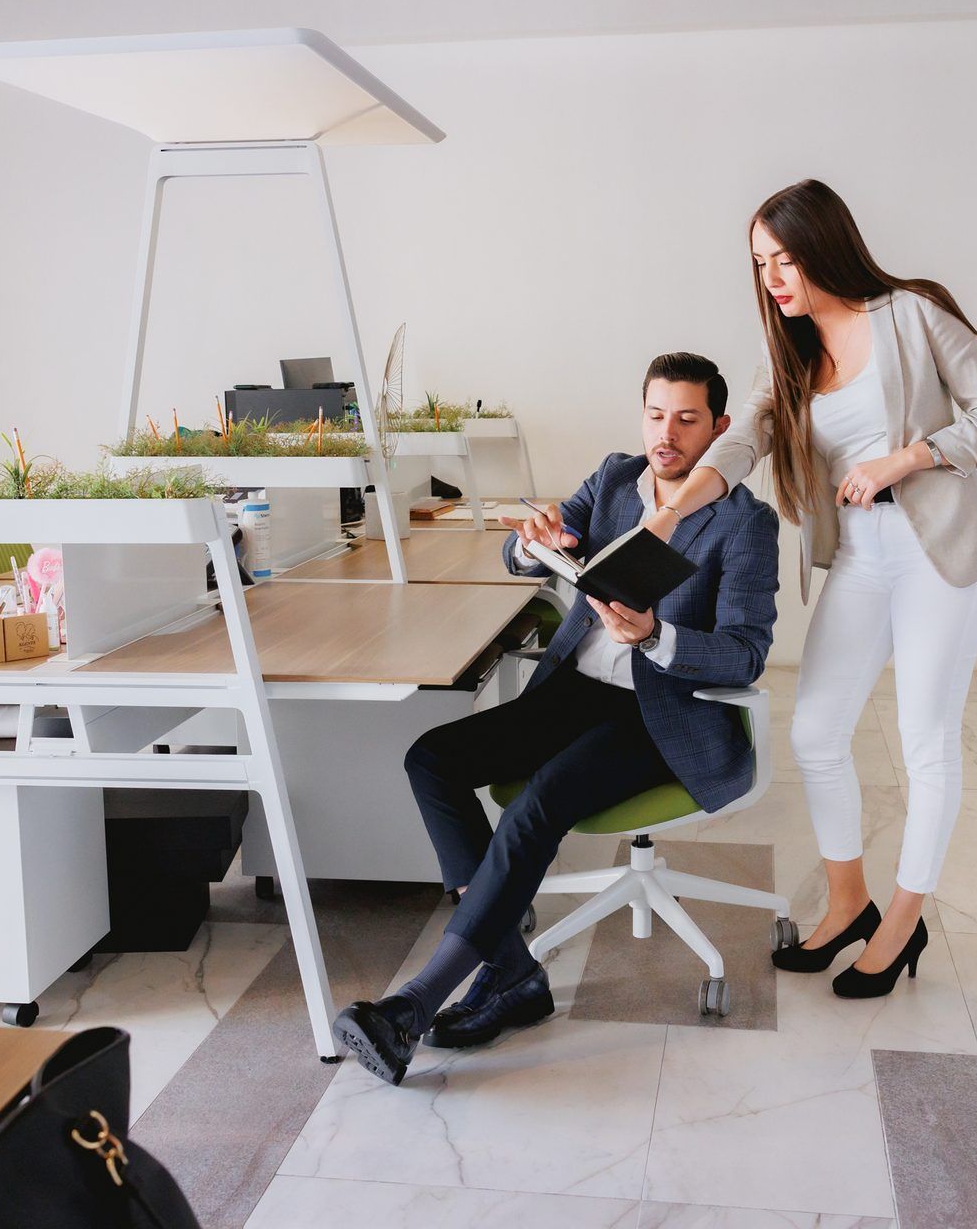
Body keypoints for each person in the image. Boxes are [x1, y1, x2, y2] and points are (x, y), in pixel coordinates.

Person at [331, 352, 780, 1085]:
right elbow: (526, 555)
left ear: (720, 428)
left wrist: (656, 636)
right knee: (432, 759)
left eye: (687, 420)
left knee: (537, 804)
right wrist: (531, 539)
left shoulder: (744, 523)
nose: (666, 434)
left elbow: (746, 653)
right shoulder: (614, 479)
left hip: (662, 711)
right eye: (656, 415)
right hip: (574, 690)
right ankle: (512, 970)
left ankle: (414, 1004)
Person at [645, 179, 977, 1000]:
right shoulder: (788, 352)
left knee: (925, 740)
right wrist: (674, 510)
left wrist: (907, 458)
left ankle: (902, 921)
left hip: (938, 552)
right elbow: (742, 442)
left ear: (825, 245)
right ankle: (849, 900)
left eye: (785, 258)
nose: (773, 278)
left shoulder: (912, 314)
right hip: (860, 555)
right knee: (817, 733)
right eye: (761, 263)